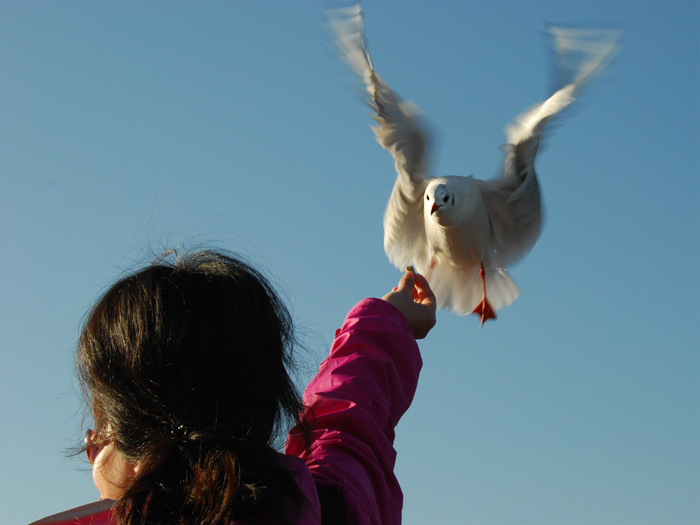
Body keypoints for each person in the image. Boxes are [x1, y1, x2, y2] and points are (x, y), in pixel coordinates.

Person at [51, 249, 436, 525]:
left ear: (125, 442)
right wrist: (386, 321)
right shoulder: (333, 507)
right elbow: (345, 427)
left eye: (95, 440)